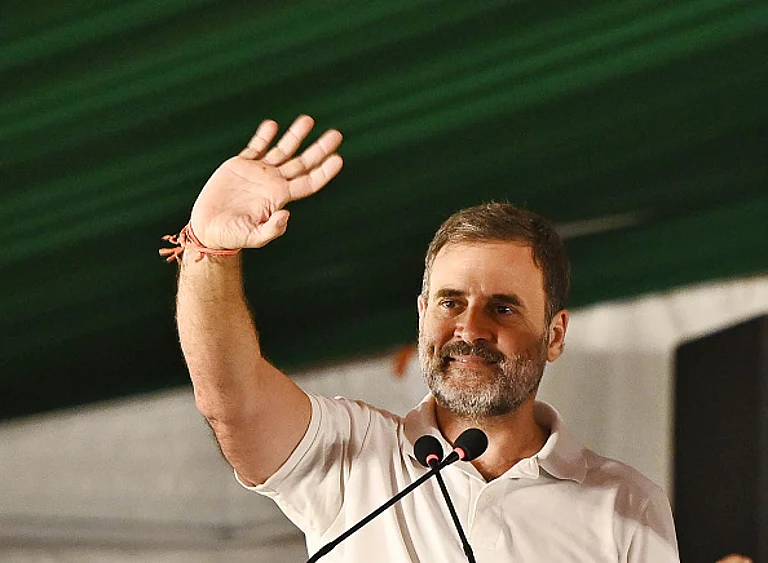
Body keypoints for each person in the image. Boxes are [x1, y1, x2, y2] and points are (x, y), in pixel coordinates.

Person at [165, 115, 679, 561]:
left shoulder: (627, 506)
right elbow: (233, 400)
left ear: (555, 335)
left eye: (502, 308)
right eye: (450, 303)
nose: (470, 330)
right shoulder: (352, 455)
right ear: (421, 316)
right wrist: (207, 250)